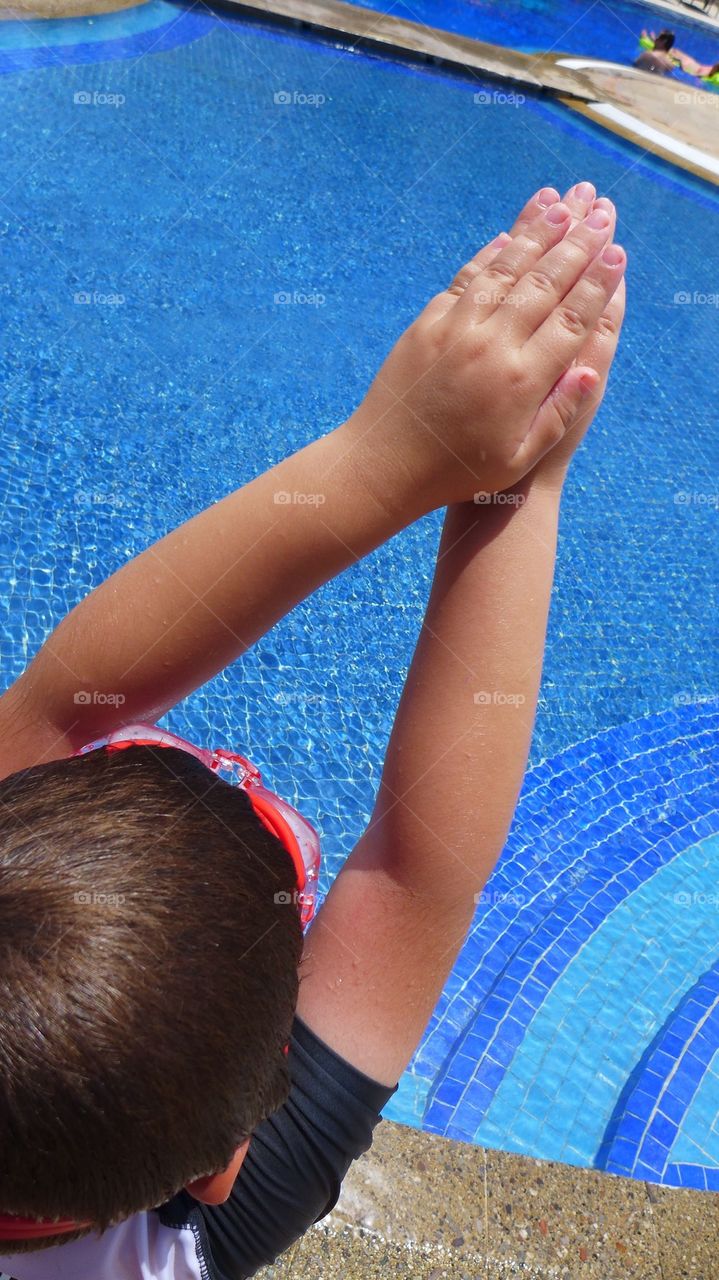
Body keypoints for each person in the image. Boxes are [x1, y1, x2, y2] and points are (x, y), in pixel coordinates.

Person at [0, 180, 625, 1280]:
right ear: (220, 1167)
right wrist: (513, 472)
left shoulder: (191, 1235)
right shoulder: (192, 1246)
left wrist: (388, 454)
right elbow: (415, 876)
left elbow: (417, 874)